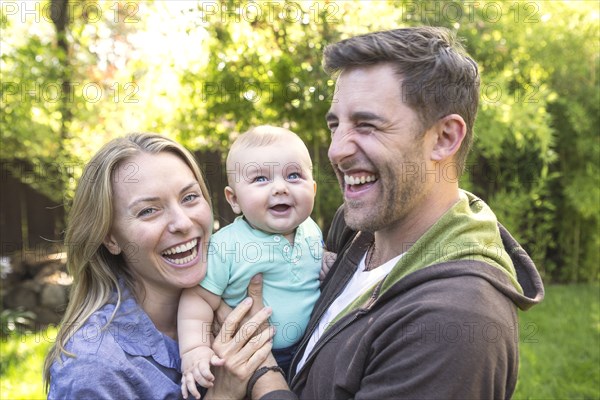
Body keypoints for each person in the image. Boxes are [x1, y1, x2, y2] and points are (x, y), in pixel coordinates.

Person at [213, 26, 545, 399]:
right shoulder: (356, 228)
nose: (336, 150)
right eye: (336, 125)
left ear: (444, 138)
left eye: (367, 125)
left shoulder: (453, 321)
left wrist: (258, 366)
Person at [43, 133, 274, 399]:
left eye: (189, 197)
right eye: (148, 211)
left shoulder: (240, 295)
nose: (183, 223)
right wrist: (222, 394)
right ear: (111, 238)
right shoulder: (95, 367)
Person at [178, 125, 323, 398]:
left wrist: (325, 261)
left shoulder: (312, 230)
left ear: (312, 189)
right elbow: (197, 299)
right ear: (234, 199)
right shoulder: (227, 245)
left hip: (310, 351)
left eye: (294, 176)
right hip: (245, 359)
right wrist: (194, 349)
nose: (280, 187)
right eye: (260, 179)